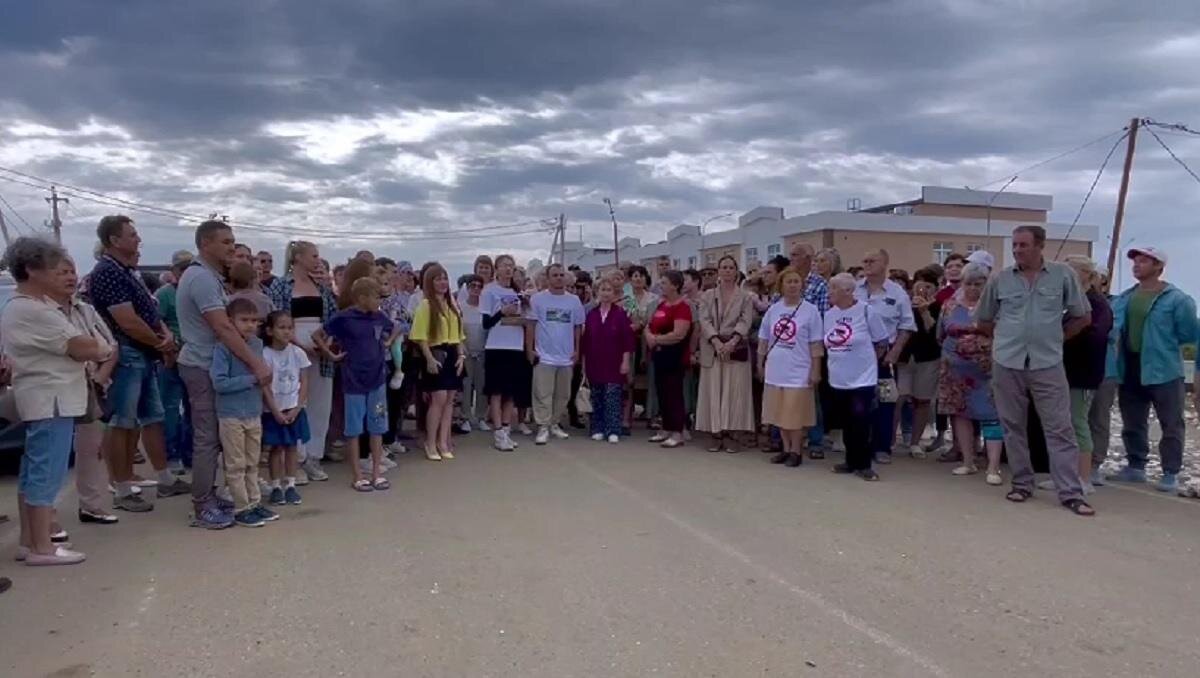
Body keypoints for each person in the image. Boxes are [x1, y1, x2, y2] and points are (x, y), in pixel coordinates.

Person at [3, 238, 112, 564]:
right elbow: (85, 346)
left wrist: (97, 346)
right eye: (52, 268)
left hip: (50, 397)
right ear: (32, 270)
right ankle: (42, 547)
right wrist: (100, 348)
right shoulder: (31, 309)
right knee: (46, 472)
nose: (61, 274)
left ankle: (30, 541)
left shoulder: (33, 307)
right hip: (51, 398)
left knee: (35, 470)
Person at [974, 224, 1094, 515]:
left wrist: (1057, 338)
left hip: (1047, 362)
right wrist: (1004, 341)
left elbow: (1082, 316)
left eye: (1023, 245)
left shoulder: (1063, 275)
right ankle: (1022, 483)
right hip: (1007, 362)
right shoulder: (1000, 279)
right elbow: (984, 319)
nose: (1017, 250)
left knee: (1060, 428)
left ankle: (1070, 492)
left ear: (1040, 246)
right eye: (1014, 245)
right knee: (1013, 426)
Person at [87, 215, 188, 512]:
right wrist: (161, 342)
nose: (138, 239)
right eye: (132, 235)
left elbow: (149, 313)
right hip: (126, 354)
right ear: (114, 240)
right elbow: (127, 321)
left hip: (143, 354)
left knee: (152, 417)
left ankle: (165, 479)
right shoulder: (107, 272)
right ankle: (121, 490)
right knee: (121, 422)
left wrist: (163, 337)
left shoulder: (127, 271)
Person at [177, 220, 271, 529]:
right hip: (201, 364)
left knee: (217, 438)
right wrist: (256, 364)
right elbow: (223, 327)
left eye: (233, 241)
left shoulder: (209, 277)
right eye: (226, 242)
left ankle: (214, 495)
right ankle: (202, 504)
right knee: (207, 438)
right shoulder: (202, 278)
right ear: (205, 243)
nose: (232, 247)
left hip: (207, 363)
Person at [1105, 246, 1199, 493]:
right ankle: (1136, 466)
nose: (1137, 265)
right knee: (1132, 420)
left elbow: (1188, 333)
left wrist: (1162, 345)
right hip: (1130, 365)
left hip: (1164, 369)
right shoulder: (1125, 298)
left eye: (1144, 261)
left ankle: (1170, 472)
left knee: (1171, 422)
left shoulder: (1178, 299)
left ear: (1158, 267)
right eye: (1135, 261)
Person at [47, 255, 121, 525]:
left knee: (92, 448)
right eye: (61, 272)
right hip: (55, 389)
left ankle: (92, 506)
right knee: (52, 454)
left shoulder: (85, 310)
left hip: (89, 386)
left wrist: (100, 377)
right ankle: (47, 518)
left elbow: (110, 346)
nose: (70, 277)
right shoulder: (42, 312)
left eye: (72, 271)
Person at [315, 277, 396, 491]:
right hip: (353, 381)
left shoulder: (379, 316)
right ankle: (357, 475)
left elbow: (396, 328)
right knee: (353, 429)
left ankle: (376, 473)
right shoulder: (344, 317)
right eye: (375, 297)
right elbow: (318, 334)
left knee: (377, 427)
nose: (379, 301)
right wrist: (330, 354)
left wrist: (388, 342)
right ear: (362, 297)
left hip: (377, 379)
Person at [267, 241, 338, 479]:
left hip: (321, 349)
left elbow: (332, 315)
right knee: (295, 401)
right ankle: (295, 460)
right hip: (292, 349)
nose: (318, 260)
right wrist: (300, 345)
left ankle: (313, 457)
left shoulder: (320, 286)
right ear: (298, 257)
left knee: (321, 403)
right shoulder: (281, 285)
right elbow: (276, 317)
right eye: (314, 255)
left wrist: (325, 343)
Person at [211, 298, 277, 528]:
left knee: (252, 462)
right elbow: (219, 383)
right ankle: (241, 508)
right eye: (244, 320)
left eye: (254, 321)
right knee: (236, 464)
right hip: (231, 415)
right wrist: (252, 379)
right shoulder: (222, 348)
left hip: (253, 412)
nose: (250, 325)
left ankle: (254, 503)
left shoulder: (257, 344)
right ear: (231, 322)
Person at [936, 263, 1003, 483]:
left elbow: (1001, 331)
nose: (973, 288)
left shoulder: (996, 305)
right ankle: (967, 461)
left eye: (978, 284)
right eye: (968, 283)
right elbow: (940, 333)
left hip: (987, 370)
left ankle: (993, 467)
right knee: (960, 413)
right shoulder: (950, 305)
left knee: (992, 415)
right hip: (955, 369)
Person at [823, 273, 889, 481]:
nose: (829, 292)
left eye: (834, 288)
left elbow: (882, 341)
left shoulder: (866, 311)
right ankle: (850, 460)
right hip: (838, 377)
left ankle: (864, 464)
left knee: (860, 420)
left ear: (848, 291)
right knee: (846, 421)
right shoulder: (829, 314)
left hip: (862, 378)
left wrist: (868, 362)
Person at [757, 268, 825, 467]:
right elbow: (763, 339)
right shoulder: (774, 310)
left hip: (799, 370)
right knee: (779, 413)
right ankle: (785, 449)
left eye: (796, 281)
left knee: (794, 414)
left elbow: (816, 343)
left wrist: (816, 370)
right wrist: (760, 364)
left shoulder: (810, 311)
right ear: (781, 285)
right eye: (789, 281)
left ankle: (796, 450)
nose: (793, 285)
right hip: (776, 369)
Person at [1057, 256, 1113, 495]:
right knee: (1062, 424)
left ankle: (1083, 477)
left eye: (1071, 271)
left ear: (1087, 274)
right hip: (1063, 369)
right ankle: (1063, 474)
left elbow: (1095, 336)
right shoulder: (1069, 300)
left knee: (1078, 422)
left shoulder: (1097, 304)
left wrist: (1064, 337)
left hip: (1083, 372)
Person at [854, 249, 915, 464]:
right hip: (855, 355)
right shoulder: (854, 289)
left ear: (885, 263)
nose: (867, 263)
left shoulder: (897, 293)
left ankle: (882, 447)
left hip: (884, 354)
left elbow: (907, 325)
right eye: (865, 260)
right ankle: (859, 445)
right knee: (857, 400)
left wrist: (895, 352)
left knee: (885, 401)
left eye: (872, 260)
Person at [695, 255, 755, 452]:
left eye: (731, 267)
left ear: (736, 271)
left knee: (735, 392)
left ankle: (733, 434)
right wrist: (715, 341)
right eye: (724, 267)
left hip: (735, 348)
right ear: (719, 271)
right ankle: (716, 433)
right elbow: (704, 320)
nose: (727, 270)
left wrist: (732, 342)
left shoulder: (746, 296)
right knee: (714, 390)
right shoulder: (707, 295)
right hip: (713, 349)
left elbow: (745, 321)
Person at [410, 263, 467, 460]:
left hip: (453, 353)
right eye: (438, 279)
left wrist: (461, 356)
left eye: (445, 279)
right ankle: (431, 442)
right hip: (436, 352)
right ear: (430, 282)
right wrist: (429, 359)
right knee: (438, 399)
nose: (443, 283)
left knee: (450, 399)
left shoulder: (452, 305)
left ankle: (444, 442)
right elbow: (420, 337)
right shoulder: (425, 305)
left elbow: (459, 335)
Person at [527, 263, 585, 445]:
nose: (559, 278)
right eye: (555, 275)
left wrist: (577, 350)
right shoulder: (537, 299)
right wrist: (529, 349)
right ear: (548, 278)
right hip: (544, 355)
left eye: (561, 275)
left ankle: (554, 423)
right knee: (543, 393)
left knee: (563, 394)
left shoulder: (574, 301)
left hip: (566, 357)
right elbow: (531, 325)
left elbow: (577, 327)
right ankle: (543, 426)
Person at [260, 310, 310, 506]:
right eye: (281, 327)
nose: (287, 331)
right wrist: (274, 410)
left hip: (294, 408)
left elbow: (304, 382)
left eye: (290, 328)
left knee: (291, 447)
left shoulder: (298, 353)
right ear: (270, 331)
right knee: (276, 448)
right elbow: (264, 386)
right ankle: (275, 486)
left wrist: (298, 407)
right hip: (273, 410)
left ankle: (290, 485)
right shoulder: (265, 354)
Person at [481, 254, 527, 451]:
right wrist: (502, 312)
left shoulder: (518, 292)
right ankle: (498, 431)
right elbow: (486, 323)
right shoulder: (489, 291)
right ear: (497, 269)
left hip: (516, 346)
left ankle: (507, 429)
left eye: (511, 266)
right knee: (496, 391)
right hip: (496, 346)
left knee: (510, 392)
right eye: (504, 265)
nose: (508, 269)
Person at [582, 279, 635, 443]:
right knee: (597, 395)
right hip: (594, 361)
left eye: (609, 290)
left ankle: (613, 429)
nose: (606, 293)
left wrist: (625, 362)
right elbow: (585, 341)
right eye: (603, 290)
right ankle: (597, 428)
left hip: (614, 361)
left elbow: (627, 341)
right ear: (597, 292)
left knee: (612, 396)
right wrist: (583, 365)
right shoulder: (591, 314)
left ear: (614, 293)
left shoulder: (620, 314)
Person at [896, 266, 941, 458]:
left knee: (922, 400)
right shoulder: (904, 303)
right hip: (904, 357)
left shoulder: (939, 306)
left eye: (929, 286)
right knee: (898, 398)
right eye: (920, 285)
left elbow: (935, 332)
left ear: (935, 288)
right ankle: (889, 440)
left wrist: (924, 311)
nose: (923, 290)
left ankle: (915, 443)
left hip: (929, 357)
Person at [645, 270, 693, 448]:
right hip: (659, 355)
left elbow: (679, 334)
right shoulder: (661, 304)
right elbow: (649, 325)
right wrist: (649, 336)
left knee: (674, 394)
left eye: (664, 282)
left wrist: (656, 339)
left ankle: (677, 432)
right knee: (662, 392)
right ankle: (665, 428)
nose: (660, 285)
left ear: (675, 285)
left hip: (675, 356)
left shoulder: (683, 307)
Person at [156, 250, 193, 473]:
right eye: (182, 268)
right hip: (172, 358)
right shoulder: (164, 294)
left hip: (195, 358)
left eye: (190, 267)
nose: (186, 272)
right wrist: (169, 349)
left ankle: (190, 454)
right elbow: (156, 323)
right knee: (170, 408)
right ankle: (172, 455)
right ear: (174, 271)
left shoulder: (196, 292)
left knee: (193, 408)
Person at [460, 274, 489, 432]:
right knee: (466, 386)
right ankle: (465, 417)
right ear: (467, 287)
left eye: (479, 286)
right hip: (466, 352)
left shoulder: (486, 308)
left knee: (482, 386)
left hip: (482, 352)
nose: (476, 289)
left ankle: (481, 417)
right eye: (473, 286)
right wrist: (462, 348)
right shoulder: (460, 307)